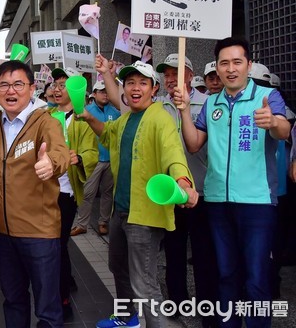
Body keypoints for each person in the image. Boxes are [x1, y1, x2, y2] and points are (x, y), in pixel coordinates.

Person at [173, 37, 290, 328]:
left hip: (257, 203)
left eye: (237, 62)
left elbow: (284, 130)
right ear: (218, 68)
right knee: (225, 274)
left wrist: (273, 122)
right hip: (217, 203)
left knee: (256, 277)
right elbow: (193, 143)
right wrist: (185, 110)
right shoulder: (212, 103)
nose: (231, 69)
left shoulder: (266, 96)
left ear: (248, 65)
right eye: (224, 63)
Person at [78, 60, 198, 328]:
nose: (135, 88)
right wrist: (88, 118)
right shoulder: (125, 118)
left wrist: (184, 183)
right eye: (130, 82)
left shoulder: (161, 118)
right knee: (117, 267)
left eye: (142, 83)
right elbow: (107, 134)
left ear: (154, 89)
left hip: (144, 215)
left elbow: (173, 154)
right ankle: (127, 318)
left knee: (144, 282)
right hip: (120, 211)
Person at [0, 61, 70, 327]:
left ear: (32, 88)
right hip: (4, 233)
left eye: (18, 84)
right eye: (4, 85)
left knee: (47, 307)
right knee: (13, 301)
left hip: (39, 233)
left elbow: (59, 152)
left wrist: (52, 163)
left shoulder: (45, 122)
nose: (11, 91)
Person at [155, 53, 219, 327]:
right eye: (167, 74)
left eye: (176, 73)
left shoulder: (208, 103)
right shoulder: (157, 106)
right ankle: (177, 301)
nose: (170, 79)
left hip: (204, 189)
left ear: (190, 76)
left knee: (205, 252)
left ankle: (207, 305)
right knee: (174, 250)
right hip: (172, 192)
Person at [49, 67, 99, 318]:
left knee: (57, 243)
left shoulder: (82, 119)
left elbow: (92, 153)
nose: (57, 89)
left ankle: (63, 297)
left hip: (66, 192)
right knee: (53, 243)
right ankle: (65, 279)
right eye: (55, 84)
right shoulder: (44, 116)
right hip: (44, 191)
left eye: (63, 84)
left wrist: (78, 158)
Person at [72, 80, 120, 237]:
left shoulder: (115, 111)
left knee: (107, 193)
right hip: (94, 160)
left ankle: (103, 222)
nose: (105, 94)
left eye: (107, 91)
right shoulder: (85, 111)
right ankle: (82, 224)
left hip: (110, 159)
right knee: (88, 192)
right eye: (101, 91)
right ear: (94, 94)